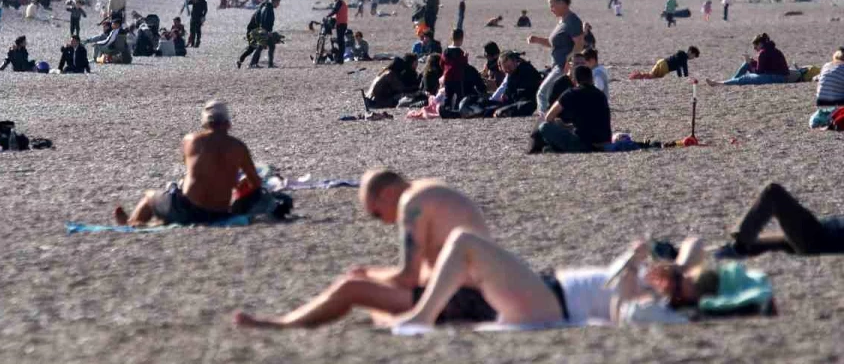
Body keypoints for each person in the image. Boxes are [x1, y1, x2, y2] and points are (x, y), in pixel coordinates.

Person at [232, 171, 496, 328]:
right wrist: (373, 275)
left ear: (388, 194)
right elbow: (430, 273)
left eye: (377, 213)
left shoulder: (412, 204)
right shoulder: (431, 189)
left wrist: (366, 276)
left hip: (466, 300)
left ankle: (284, 325)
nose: (384, 221)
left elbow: (409, 278)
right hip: (482, 295)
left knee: (351, 288)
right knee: (373, 301)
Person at [382, 233, 758, 330]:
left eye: (680, 287)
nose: (672, 284)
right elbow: (696, 243)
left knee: (465, 242)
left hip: (552, 302)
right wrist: (677, 267)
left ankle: (420, 316)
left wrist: (630, 272)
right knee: (442, 284)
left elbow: (621, 314)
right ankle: (409, 308)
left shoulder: (661, 309)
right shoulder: (669, 281)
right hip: (546, 288)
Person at [114, 100, 261, 226]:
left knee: (149, 197)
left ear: (205, 123)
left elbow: (192, 170)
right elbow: (255, 182)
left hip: (190, 210)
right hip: (219, 212)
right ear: (228, 123)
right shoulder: (239, 147)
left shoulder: (191, 141)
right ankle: (155, 219)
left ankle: (132, 222)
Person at [719, 182, 844, 257]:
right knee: (753, 245)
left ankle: (740, 243)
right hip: (818, 233)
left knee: (773, 192)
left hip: (815, 239)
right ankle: (737, 247)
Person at [528, 0, 584, 115]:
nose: (551, 9)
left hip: (564, 66)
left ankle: (544, 121)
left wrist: (569, 63)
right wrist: (536, 39)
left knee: (542, 93)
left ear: (562, 3)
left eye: (552, 5)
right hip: (557, 65)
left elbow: (579, 44)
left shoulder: (572, 21)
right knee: (554, 94)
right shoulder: (562, 22)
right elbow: (553, 43)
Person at [531, 65, 611, 153]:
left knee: (544, 126)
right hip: (605, 142)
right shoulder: (600, 95)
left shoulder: (571, 93)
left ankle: (554, 148)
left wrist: (561, 124)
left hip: (584, 145)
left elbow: (548, 117)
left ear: (574, 80)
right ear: (591, 79)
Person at [707, 33, 789, 86]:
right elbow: (766, 66)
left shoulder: (763, 52)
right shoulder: (772, 49)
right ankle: (732, 81)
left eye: (755, 46)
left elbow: (759, 72)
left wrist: (750, 62)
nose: (754, 48)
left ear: (760, 44)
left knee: (745, 78)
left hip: (777, 77)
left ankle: (719, 83)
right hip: (778, 75)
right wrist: (750, 62)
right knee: (746, 64)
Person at [237, 0, 280, 69]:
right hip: (256, 31)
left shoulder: (264, 9)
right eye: (278, 3)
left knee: (254, 48)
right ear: (274, 1)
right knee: (258, 47)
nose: (278, 5)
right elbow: (264, 21)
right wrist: (266, 31)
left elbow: (262, 22)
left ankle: (245, 61)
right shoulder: (267, 9)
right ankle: (252, 64)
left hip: (257, 31)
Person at [630, 47, 701, 80]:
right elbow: (682, 68)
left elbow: (678, 66)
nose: (693, 58)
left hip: (661, 61)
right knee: (653, 77)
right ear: (691, 53)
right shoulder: (684, 58)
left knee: (650, 74)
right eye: (694, 56)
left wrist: (680, 74)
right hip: (665, 67)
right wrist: (685, 76)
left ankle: (636, 76)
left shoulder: (680, 54)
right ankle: (637, 77)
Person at [329, 0, 349, 65]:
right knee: (341, 41)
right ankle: (340, 58)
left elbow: (335, 11)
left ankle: (340, 59)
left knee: (341, 42)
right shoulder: (343, 3)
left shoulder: (339, 2)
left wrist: (328, 15)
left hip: (341, 24)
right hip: (343, 23)